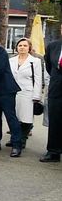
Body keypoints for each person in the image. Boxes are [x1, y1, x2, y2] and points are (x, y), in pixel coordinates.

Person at [8, 38, 47, 150]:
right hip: (13, 92)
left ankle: (22, 139)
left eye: (25, 45)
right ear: (16, 47)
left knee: (26, 118)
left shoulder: (35, 61)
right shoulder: (11, 60)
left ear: (29, 48)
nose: (22, 47)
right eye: (20, 45)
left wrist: (37, 95)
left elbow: (38, 79)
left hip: (28, 92)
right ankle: (14, 138)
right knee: (14, 117)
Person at [40, 26, 62, 162]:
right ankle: (53, 151)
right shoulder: (53, 46)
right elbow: (49, 67)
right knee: (55, 121)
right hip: (57, 89)